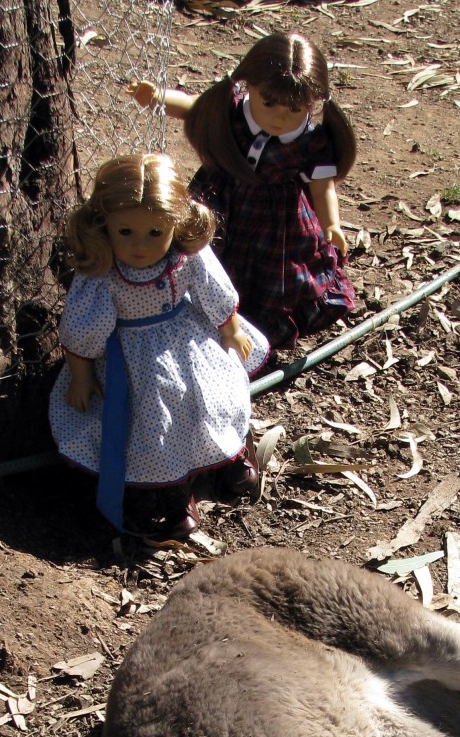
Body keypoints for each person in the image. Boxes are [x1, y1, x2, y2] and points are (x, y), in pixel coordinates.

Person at [49, 153, 269, 541]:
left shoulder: (185, 256)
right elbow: (84, 327)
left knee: (217, 398)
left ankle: (233, 456)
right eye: (125, 232)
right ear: (104, 224)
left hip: (189, 342)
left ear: (175, 224)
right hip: (132, 359)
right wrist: (81, 376)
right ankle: (173, 493)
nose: (140, 245)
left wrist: (231, 329)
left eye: (155, 233)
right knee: (153, 424)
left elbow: (214, 289)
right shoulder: (103, 272)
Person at [130, 32, 357, 349]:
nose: (280, 116)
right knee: (207, 254)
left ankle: (253, 322)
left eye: (294, 109)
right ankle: (206, 304)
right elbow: (191, 107)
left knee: (271, 275)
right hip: (220, 202)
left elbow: (323, 189)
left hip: (278, 226)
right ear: (248, 85)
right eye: (269, 103)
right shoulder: (232, 113)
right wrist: (158, 97)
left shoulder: (310, 142)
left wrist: (331, 224)